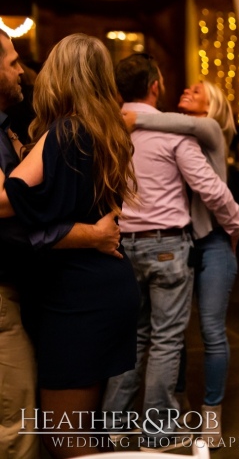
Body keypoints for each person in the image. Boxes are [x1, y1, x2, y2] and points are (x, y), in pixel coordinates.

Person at [0, 33, 140, 458]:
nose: (27, 73)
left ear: (60, 76)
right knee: (86, 429)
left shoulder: (63, 132)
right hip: (101, 285)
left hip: (77, 295)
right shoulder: (105, 128)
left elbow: (17, 195)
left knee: (64, 438)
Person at [103, 54, 239, 452]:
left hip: (124, 244)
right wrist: (237, 224)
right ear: (155, 85)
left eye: (197, 90)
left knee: (135, 337)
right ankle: (158, 432)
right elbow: (210, 189)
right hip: (168, 244)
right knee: (166, 340)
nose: (185, 90)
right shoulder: (173, 135)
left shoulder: (112, 130)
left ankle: (114, 429)